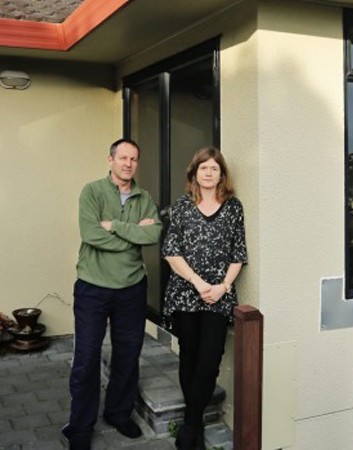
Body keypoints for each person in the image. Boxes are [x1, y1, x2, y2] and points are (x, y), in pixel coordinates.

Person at [62, 139, 162, 450]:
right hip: (93, 287)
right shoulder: (92, 191)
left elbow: (154, 233)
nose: (128, 163)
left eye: (133, 159)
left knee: (128, 354)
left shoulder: (144, 197)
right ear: (110, 161)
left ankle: (118, 413)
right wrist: (133, 234)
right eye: (122, 158)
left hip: (131, 289)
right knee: (87, 357)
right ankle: (79, 426)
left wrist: (115, 225)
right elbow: (91, 234)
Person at [162, 147, 247, 450]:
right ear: (194, 173)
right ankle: (193, 426)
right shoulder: (182, 207)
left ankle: (190, 422)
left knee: (209, 361)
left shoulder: (233, 207)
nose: (209, 173)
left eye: (214, 168)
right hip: (186, 293)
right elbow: (171, 252)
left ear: (222, 174)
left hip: (219, 295)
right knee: (189, 356)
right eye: (203, 168)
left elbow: (238, 253)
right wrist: (199, 283)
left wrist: (222, 286)